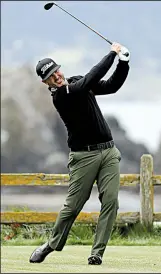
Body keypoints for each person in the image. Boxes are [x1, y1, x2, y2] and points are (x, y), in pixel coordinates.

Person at [30, 42, 130, 265]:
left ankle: (97, 253)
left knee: (111, 201)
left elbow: (110, 85)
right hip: (83, 157)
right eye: (50, 76)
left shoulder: (75, 82)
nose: (56, 76)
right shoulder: (61, 95)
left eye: (56, 71)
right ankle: (51, 244)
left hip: (109, 152)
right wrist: (112, 53)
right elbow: (90, 80)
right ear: (45, 82)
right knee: (73, 206)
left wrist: (124, 62)